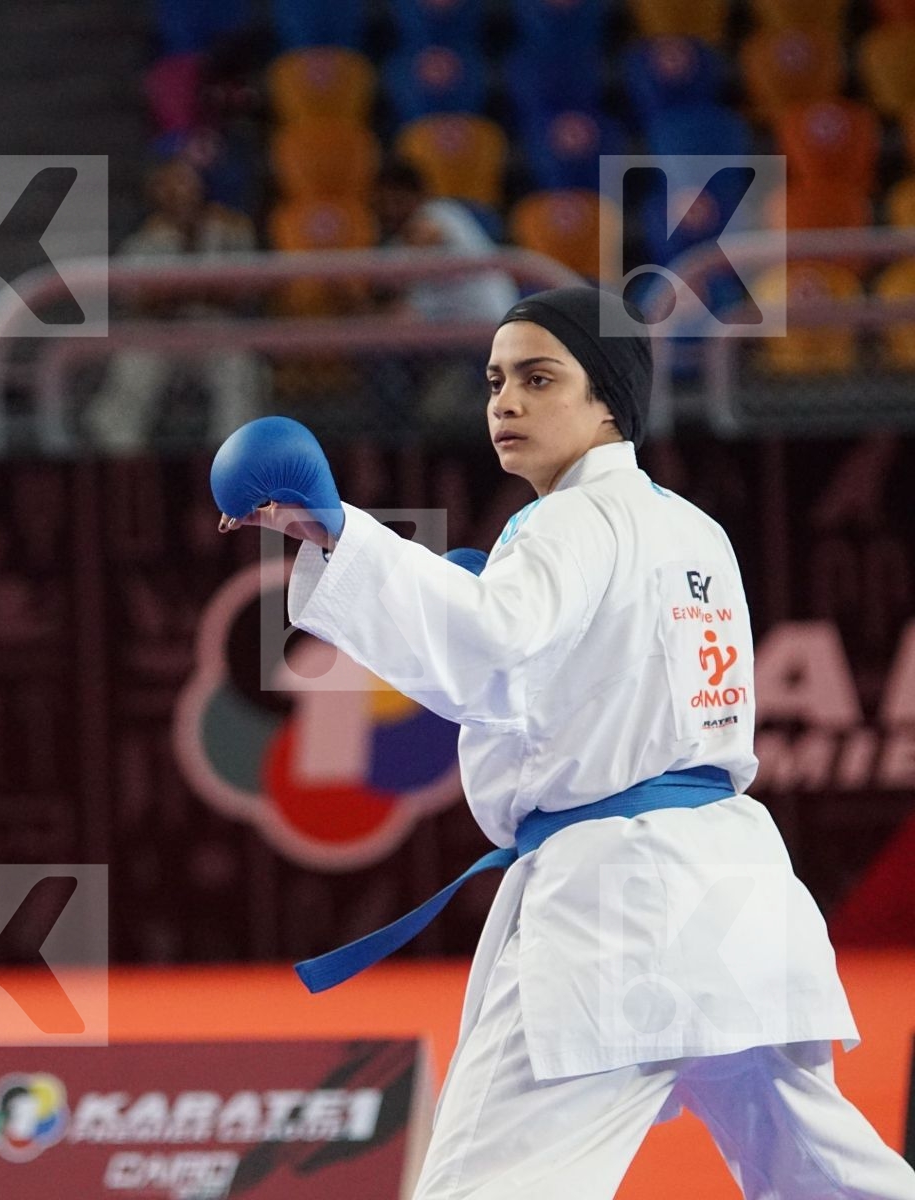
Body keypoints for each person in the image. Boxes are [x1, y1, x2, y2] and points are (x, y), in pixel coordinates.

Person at [211, 286, 915, 1199]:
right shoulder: (691, 528)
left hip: (618, 912)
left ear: (608, 400)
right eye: (495, 381)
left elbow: (491, 655)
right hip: (739, 901)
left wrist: (344, 534)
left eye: (539, 379)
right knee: (827, 1179)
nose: (506, 401)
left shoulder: (570, 521)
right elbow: (568, 670)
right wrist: (452, 586)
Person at [79, 155, 264, 453]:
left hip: (214, 330)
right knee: (134, 367)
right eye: (169, 185)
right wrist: (192, 290)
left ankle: (232, 460)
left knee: (238, 370)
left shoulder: (231, 230)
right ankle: (121, 457)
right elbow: (139, 302)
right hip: (162, 333)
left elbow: (241, 292)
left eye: (185, 183)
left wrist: (183, 291)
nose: (179, 192)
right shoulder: (144, 240)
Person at [373, 160, 521, 434]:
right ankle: (395, 436)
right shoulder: (396, 245)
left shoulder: (439, 214)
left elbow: (422, 242)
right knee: (384, 342)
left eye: (397, 199)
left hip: (488, 335)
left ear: (418, 196)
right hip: (448, 342)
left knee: (438, 416)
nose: (390, 208)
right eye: (384, 201)